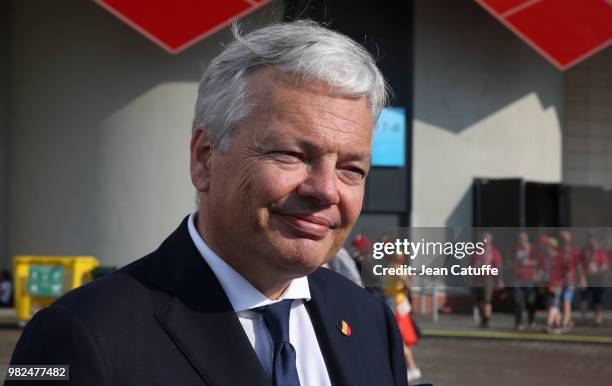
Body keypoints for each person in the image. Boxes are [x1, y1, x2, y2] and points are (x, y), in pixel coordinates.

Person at [8, 21, 409, 386]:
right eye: (291, 154)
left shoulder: (369, 320)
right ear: (204, 158)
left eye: (351, 169)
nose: (325, 190)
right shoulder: (75, 335)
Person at [471, 231, 503, 328]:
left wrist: (499, 280)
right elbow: (471, 264)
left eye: (487, 239)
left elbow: (498, 266)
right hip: (477, 278)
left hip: (488, 278)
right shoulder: (476, 251)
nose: (485, 241)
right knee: (477, 300)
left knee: (487, 300)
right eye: (484, 239)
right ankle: (484, 315)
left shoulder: (494, 252)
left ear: (490, 240)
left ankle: (486, 320)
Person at [579, 232, 609, 326]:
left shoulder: (600, 252)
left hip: (597, 278)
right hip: (587, 277)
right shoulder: (585, 251)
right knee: (584, 299)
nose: (591, 241)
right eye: (589, 239)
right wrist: (582, 278)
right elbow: (579, 264)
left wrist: (601, 268)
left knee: (598, 300)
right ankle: (583, 318)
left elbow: (605, 265)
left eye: (593, 239)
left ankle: (598, 319)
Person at [509, 231, 537, 330]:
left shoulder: (532, 248)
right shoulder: (514, 249)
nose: (521, 240)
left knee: (530, 300)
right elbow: (510, 261)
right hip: (517, 278)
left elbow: (537, 262)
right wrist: (516, 264)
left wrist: (527, 262)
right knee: (518, 301)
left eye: (523, 238)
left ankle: (531, 319)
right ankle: (518, 322)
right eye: (520, 238)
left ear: (527, 239)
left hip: (528, 278)